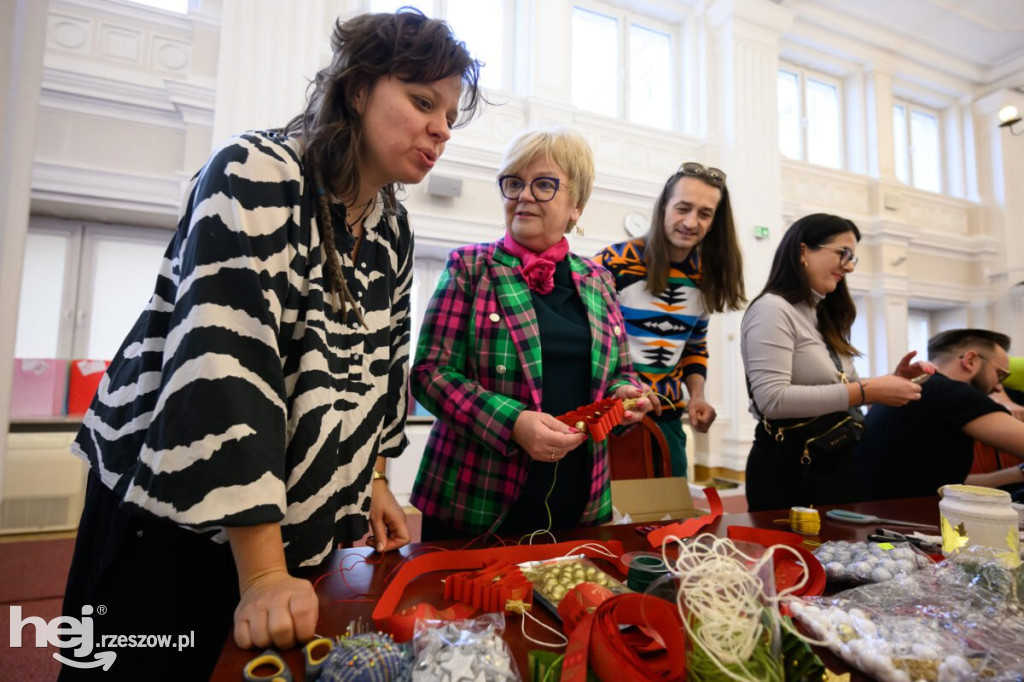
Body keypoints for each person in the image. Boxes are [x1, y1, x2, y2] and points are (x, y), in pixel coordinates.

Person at [59, 10, 482, 680]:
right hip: (169, 517)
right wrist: (260, 574)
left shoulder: (392, 226)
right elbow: (224, 368)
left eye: (451, 115)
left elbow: (380, 371)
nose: (441, 129)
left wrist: (373, 479)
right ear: (359, 89)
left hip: (288, 535)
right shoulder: (255, 170)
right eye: (423, 101)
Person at [410, 126, 649, 540]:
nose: (524, 195)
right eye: (514, 183)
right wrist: (512, 423)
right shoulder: (470, 267)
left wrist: (627, 398)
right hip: (476, 499)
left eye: (543, 185)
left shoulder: (599, 280)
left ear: (576, 206)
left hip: (580, 498)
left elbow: (621, 374)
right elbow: (430, 374)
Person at [741, 213, 928, 512]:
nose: (850, 266)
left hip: (836, 459)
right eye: (843, 253)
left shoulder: (824, 314)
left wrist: (893, 380)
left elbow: (843, 391)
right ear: (803, 251)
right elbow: (772, 400)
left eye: (853, 257)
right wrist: (869, 390)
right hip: (790, 468)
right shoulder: (772, 309)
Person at [596, 162, 746, 478]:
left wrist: (698, 397)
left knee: (668, 518)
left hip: (667, 418)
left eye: (704, 214)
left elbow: (694, 345)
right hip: (612, 418)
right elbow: (589, 342)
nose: (691, 222)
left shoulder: (707, 275)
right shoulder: (611, 263)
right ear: (664, 206)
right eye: (683, 208)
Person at [857, 329, 1024, 501]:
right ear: (970, 360)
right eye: (1000, 374)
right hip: (905, 518)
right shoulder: (951, 393)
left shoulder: (912, 390)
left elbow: (948, 484)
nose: (998, 387)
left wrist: (1017, 472)